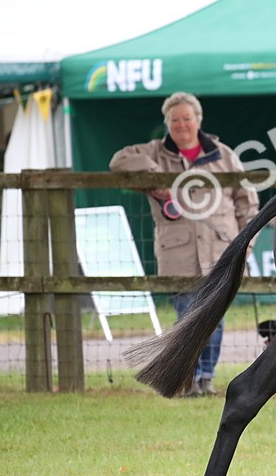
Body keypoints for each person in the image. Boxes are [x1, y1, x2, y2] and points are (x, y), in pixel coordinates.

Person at [110, 92, 258, 397]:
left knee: (214, 319)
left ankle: (206, 377)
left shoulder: (223, 155)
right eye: (174, 119)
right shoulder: (154, 152)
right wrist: (156, 177)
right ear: (166, 123)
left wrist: (246, 245)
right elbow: (119, 161)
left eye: (187, 118)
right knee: (186, 319)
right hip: (179, 255)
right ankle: (187, 379)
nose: (181, 124)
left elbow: (248, 204)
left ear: (198, 120)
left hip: (221, 252)